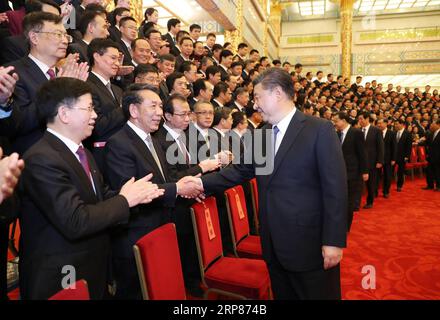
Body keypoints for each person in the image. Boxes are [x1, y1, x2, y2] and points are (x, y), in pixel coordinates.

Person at [186, 68, 348, 300]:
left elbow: (336, 189)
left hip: (309, 245)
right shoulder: (263, 133)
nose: (255, 104)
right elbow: (240, 171)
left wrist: (333, 241)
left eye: (258, 97)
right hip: (273, 244)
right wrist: (199, 183)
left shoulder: (318, 129)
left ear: (278, 94)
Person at [18, 77, 164, 300]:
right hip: (62, 271)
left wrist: (136, 195)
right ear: (64, 114)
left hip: (91, 264)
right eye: (88, 108)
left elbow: (100, 197)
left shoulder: (82, 152)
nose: (95, 115)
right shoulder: (41, 158)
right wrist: (125, 200)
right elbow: (76, 220)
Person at [103, 85, 203, 299]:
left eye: (160, 105)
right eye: (154, 106)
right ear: (133, 111)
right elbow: (133, 193)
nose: (159, 111)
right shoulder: (119, 143)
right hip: (136, 235)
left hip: (160, 227)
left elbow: (164, 180)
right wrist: (176, 188)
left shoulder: (153, 140)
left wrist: (182, 185)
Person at [333, 112, 368, 232]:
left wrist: (364, 171)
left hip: (353, 173)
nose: (335, 123)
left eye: (336, 121)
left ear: (344, 120)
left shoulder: (356, 133)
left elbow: (362, 153)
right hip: (338, 174)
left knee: (349, 202)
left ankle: (345, 227)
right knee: (339, 201)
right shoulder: (336, 134)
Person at [358, 111, 384, 208]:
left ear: (367, 119)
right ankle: (357, 202)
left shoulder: (376, 130)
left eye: (361, 119)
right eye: (359, 119)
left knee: (371, 183)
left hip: (372, 161)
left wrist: (380, 161)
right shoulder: (358, 130)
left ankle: (370, 202)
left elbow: (380, 146)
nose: (359, 121)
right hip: (360, 161)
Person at [377, 118, 396, 198]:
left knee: (387, 176)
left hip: (388, 159)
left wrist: (393, 159)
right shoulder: (377, 132)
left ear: (386, 123)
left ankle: (386, 191)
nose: (379, 125)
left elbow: (394, 147)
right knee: (377, 176)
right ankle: (375, 191)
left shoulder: (391, 133)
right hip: (378, 159)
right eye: (378, 123)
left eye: (380, 123)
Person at [394, 119, 412, 192]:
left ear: (402, 124)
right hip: (394, 156)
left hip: (402, 156)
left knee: (400, 172)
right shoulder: (394, 133)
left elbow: (409, 146)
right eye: (395, 124)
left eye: (397, 124)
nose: (395, 125)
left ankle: (399, 186)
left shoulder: (407, 133)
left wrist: (407, 156)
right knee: (390, 171)